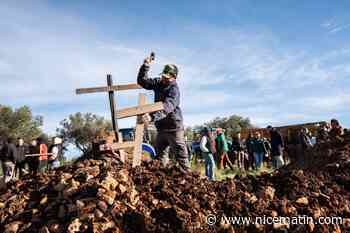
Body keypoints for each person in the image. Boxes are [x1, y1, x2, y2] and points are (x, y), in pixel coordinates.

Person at [137, 54, 190, 171]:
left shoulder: (174, 90)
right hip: (161, 128)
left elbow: (167, 107)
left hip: (174, 128)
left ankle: (190, 179)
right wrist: (145, 66)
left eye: (167, 77)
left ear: (174, 77)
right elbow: (142, 81)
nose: (163, 79)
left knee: (181, 158)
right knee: (159, 158)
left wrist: (152, 117)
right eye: (163, 76)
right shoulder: (158, 82)